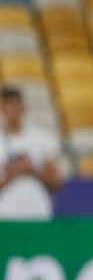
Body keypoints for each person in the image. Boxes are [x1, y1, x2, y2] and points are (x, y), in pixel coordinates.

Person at [0, 86, 62, 219]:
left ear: (24, 108)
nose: (13, 110)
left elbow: (55, 183)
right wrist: (13, 172)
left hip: (38, 210)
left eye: (16, 105)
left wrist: (33, 170)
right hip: (5, 212)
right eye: (9, 106)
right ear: (2, 109)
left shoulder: (42, 138)